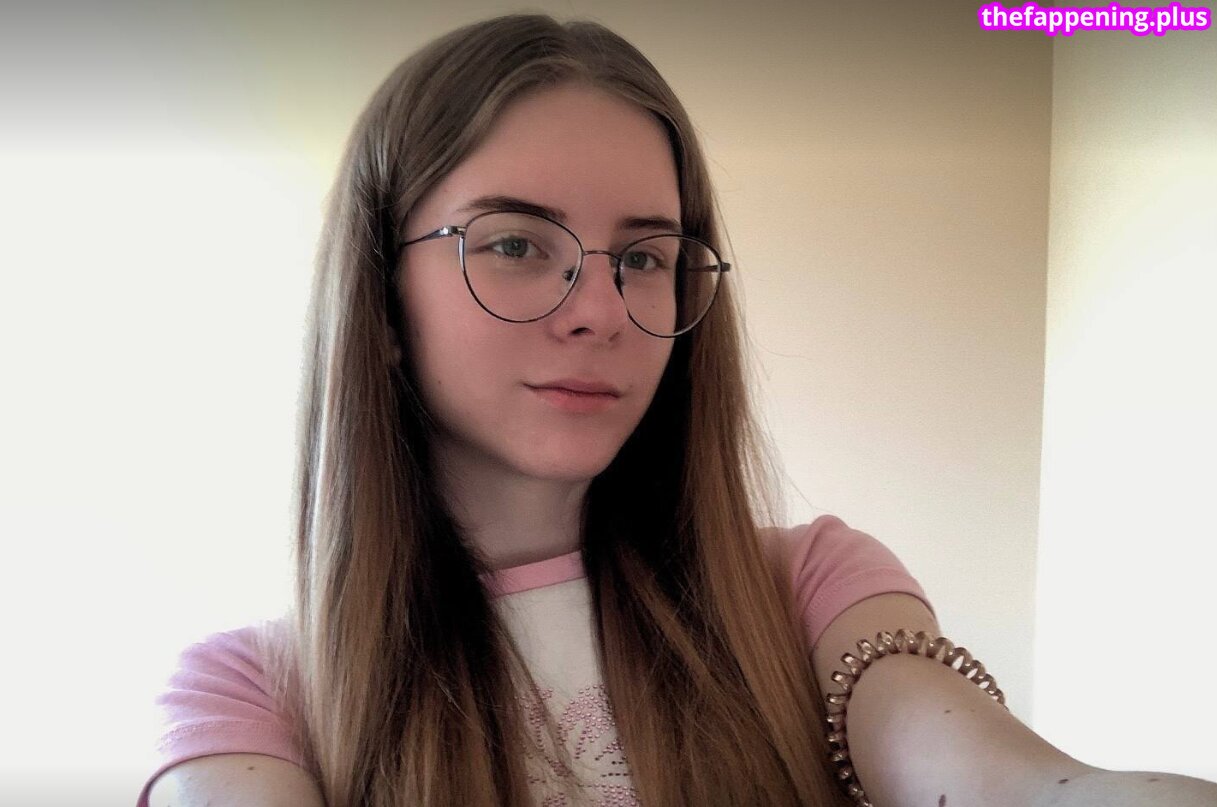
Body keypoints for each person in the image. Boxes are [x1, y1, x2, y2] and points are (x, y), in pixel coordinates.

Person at [138, 13, 1217, 807]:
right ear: (378, 297)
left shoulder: (809, 588)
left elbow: (1002, 783)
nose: (600, 309)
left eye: (646, 257)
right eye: (514, 243)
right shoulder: (248, 698)